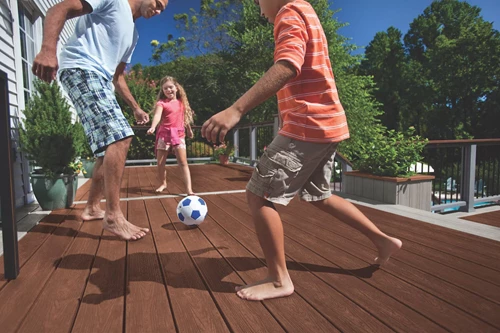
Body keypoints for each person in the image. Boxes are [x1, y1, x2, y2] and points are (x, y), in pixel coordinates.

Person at [201, 0, 402, 301]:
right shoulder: (307, 13)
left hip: (307, 125)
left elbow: (288, 65)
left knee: (259, 195)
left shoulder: (289, 12)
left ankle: (279, 279)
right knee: (321, 195)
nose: (259, 11)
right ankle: (382, 240)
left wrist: (236, 109)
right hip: (327, 125)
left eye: (258, 3)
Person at [32, 0, 169, 240]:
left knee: (107, 149)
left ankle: (92, 207)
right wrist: (47, 49)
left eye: (162, 10)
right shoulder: (113, 1)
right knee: (121, 136)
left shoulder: (133, 34)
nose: (157, 11)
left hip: (103, 80)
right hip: (82, 69)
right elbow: (58, 8)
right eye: (157, 3)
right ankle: (113, 216)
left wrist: (135, 107)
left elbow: (117, 77)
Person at [147, 76, 195, 195]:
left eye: (170, 87)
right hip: (164, 135)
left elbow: (185, 118)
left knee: (183, 162)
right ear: (163, 91)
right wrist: (153, 126)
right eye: (165, 88)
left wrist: (189, 130)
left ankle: (189, 189)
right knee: (160, 163)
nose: (168, 90)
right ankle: (163, 183)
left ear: (176, 88)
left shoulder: (181, 103)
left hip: (179, 135)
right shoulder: (161, 103)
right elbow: (157, 116)